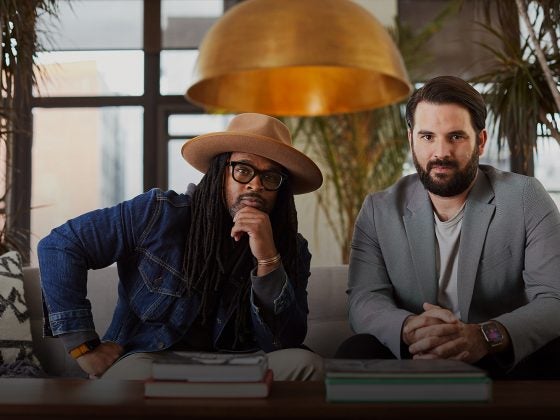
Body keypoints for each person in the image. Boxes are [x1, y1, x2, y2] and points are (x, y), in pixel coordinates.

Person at [38, 113, 324, 380]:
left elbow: (284, 341)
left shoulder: (291, 248)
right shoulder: (157, 213)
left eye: (270, 177)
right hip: (153, 361)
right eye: (243, 170)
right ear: (219, 173)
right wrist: (84, 347)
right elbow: (61, 245)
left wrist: (268, 260)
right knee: (131, 377)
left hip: (241, 363)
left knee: (306, 364)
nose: (256, 185)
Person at [336, 76, 560, 379]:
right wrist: (410, 329)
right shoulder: (379, 210)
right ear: (411, 139)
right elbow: (364, 300)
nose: (440, 152)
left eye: (455, 136)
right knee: (355, 351)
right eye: (427, 136)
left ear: (481, 140)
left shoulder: (525, 198)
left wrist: (484, 336)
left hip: (496, 353)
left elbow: (554, 299)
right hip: (415, 350)